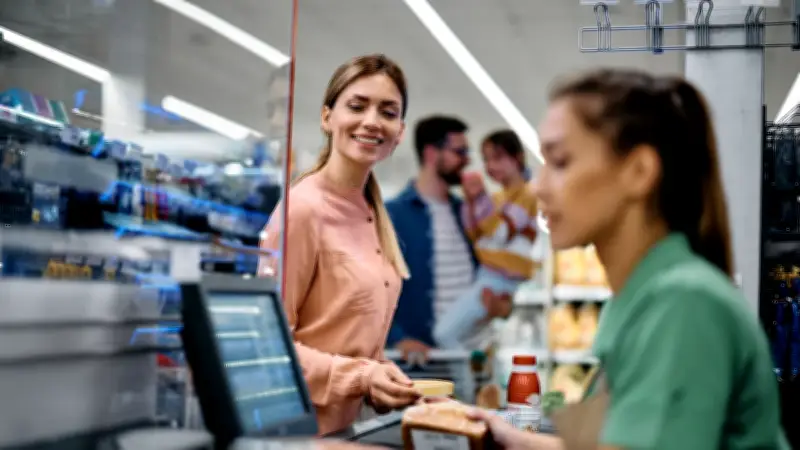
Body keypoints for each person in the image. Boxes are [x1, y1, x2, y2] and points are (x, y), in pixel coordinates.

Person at [468, 68, 790, 449]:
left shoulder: (681, 304)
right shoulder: (645, 296)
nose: (537, 186)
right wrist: (513, 440)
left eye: (560, 162)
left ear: (638, 171)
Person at [258, 54, 421, 435]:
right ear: (327, 117)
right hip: (297, 435)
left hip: (347, 433)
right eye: (357, 106)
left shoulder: (372, 212)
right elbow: (268, 348)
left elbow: (350, 340)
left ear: (399, 131)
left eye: (387, 111)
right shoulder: (301, 210)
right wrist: (363, 377)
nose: (371, 121)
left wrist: (387, 382)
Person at [386, 116, 513, 357]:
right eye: (460, 151)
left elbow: (497, 273)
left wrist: (503, 307)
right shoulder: (392, 216)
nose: (467, 160)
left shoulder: (467, 211)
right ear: (432, 154)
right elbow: (369, 292)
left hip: (475, 358)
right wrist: (397, 339)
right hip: (423, 365)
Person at [433, 130, 538, 349]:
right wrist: (472, 203)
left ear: (517, 157)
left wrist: (480, 200)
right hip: (489, 276)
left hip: (498, 278)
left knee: (444, 334)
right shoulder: (498, 198)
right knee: (463, 335)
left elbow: (500, 234)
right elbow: (475, 235)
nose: (491, 166)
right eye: (487, 159)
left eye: (498, 157)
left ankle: (464, 378)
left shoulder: (527, 195)